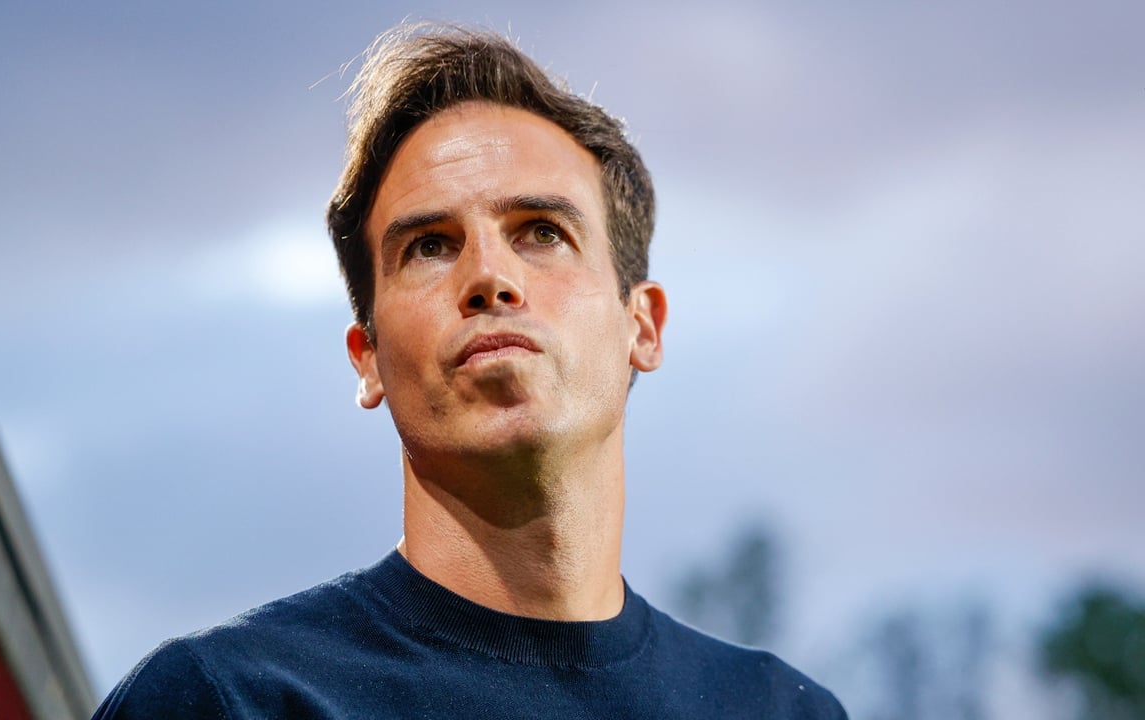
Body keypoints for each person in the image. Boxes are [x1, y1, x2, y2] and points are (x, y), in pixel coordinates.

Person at [93, 23, 847, 719]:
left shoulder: (783, 711)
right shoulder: (225, 700)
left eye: (542, 232)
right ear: (368, 359)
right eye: (430, 246)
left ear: (641, 325)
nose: (489, 276)